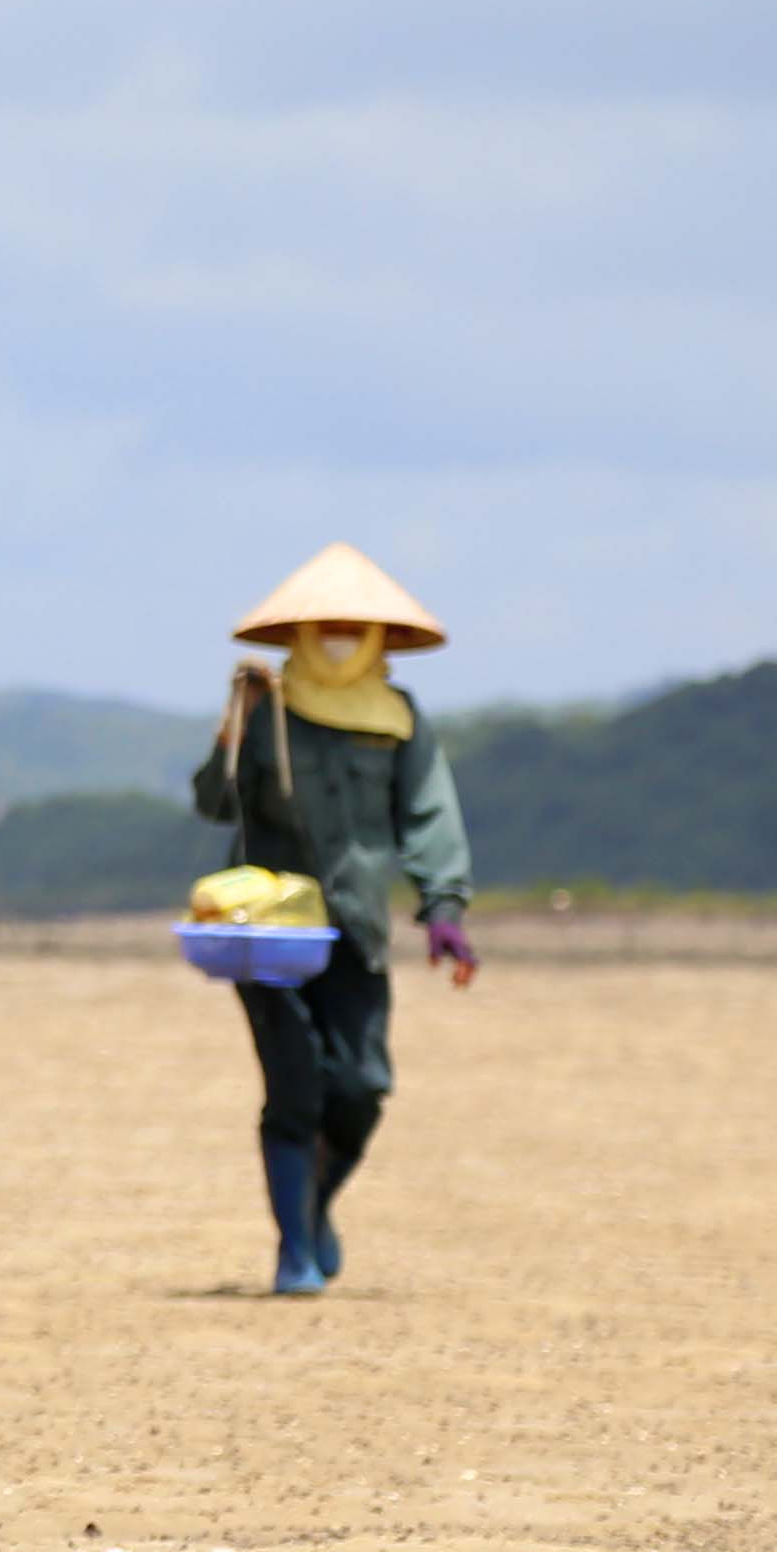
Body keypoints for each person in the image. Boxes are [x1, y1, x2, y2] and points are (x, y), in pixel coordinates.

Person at [189, 545, 478, 1298]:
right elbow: (213, 803)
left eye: (356, 625)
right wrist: (233, 726)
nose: (341, 636)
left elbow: (427, 811)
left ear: (382, 636)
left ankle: (313, 1206)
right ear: (299, 632)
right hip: (267, 934)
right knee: (294, 1085)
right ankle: (292, 1250)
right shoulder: (265, 708)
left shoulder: (398, 717)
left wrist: (442, 904)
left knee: (360, 1085)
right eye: (327, 624)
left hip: (355, 928)